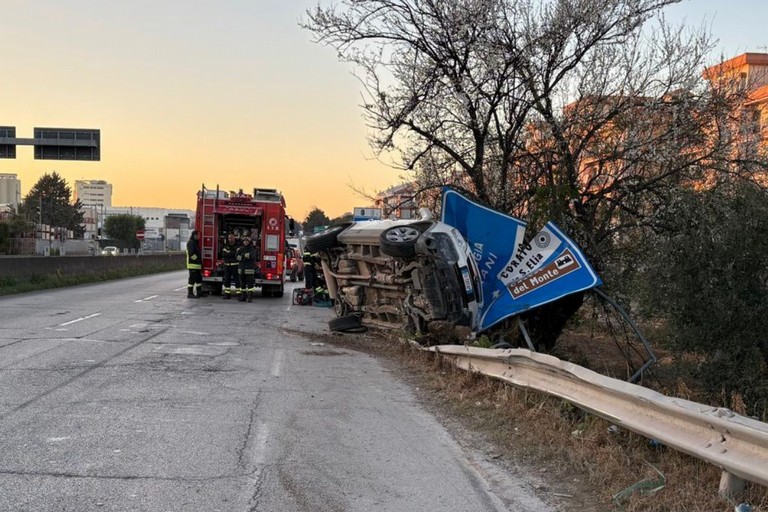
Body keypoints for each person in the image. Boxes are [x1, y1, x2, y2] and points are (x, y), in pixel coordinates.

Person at [220, 233, 241, 299]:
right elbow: (224, 254)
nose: (230, 239)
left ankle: (239, 295)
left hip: (235, 266)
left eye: (231, 237)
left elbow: (237, 255)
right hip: (227, 266)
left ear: (234, 238)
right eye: (229, 238)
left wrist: (229, 253)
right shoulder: (225, 246)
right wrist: (232, 253)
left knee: (237, 280)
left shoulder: (238, 246)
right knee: (227, 280)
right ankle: (227, 294)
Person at [237, 236, 257, 302]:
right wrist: (245, 256)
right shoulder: (240, 249)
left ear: (249, 242)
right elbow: (237, 257)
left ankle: (250, 297)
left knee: (250, 285)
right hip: (241, 269)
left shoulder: (252, 249)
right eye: (244, 241)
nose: (245, 242)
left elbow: (251, 256)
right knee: (242, 284)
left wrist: (242, 256)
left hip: (249, 270)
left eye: (247, 241)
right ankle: (243, 297)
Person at [186, 230, 202, 298]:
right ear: (194, 235)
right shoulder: (191, 243)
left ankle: (199, 292)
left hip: (197, 265)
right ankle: (190, 293)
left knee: (198, 279)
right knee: (192, 280)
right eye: (198, 235)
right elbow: (191, 254)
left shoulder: (195, 242)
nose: (199, 237)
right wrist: (197, 259)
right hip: (192, 265)